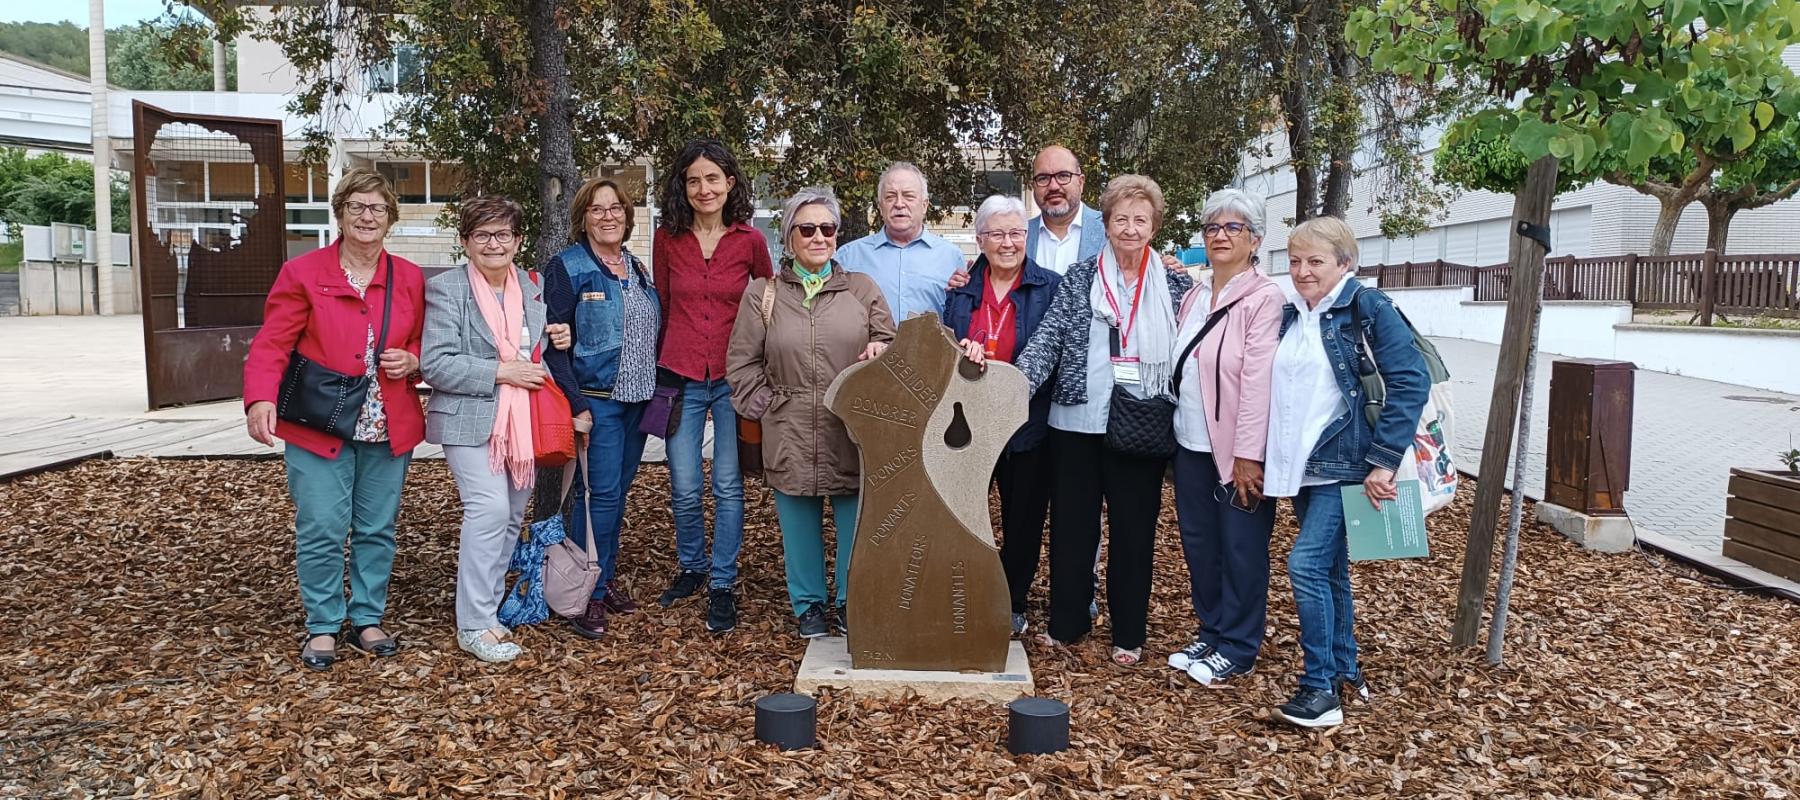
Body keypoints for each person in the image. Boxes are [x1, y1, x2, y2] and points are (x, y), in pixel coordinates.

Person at [1005, 174, 1193, 666]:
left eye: (1140, 219)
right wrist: (1014, 387)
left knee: (1134, 531)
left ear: (1153, 226)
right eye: (1120, 219)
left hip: (1142, 423)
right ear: (1105, 224)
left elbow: (1193, 351)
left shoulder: (1175, 283)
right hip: (1076, 422)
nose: (1130, 229)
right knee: (1072, 528)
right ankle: (1068, 622)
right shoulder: (1081, 276)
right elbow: (1048, 339)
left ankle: (1128, 633)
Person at [242, 167, 425, 672]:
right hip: (317, 422)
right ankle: (323, 623)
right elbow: (273, 342)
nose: (368, 216)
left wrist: (413, 359)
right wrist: (259, 398)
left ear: (390, 218)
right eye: (357, 206)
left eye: (378, 208)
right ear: (340, 213)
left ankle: (367, 617)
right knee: (322, 525)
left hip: (387, 423)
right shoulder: (303, 272)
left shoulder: (407, 276)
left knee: (376, 528)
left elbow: (425, 340)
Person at [1262, 215, 1429, 728]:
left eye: (1315, 261)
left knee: (1305, 566)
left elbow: (1411, 380)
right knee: (1330, 570)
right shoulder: (1297, 312)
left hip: (1347, 463)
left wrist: (1383, 460)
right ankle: (1343, 669)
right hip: (1307, 464)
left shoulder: (1367, 308)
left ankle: (1319, 692)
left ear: (1344, 263)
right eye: (1294, 261)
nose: (1303, 271)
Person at [727, 187, 895, 639]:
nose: (819, 236)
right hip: (790, 427)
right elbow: (741, 363)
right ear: (788, 237)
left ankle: (848, 602)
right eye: (807, 228)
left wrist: (881, 349)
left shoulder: (861, 289)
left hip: (851, 428)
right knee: (798, 527)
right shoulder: (763, 294)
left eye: (827, 228)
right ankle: (809, 606)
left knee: (854, 525)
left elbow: (892, 344)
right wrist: (766, 406)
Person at [422, 196, 562, 663]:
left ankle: (488, 611)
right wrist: (502, 371)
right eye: (481, 235)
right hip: (469, 420)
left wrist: (558, 336)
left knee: (509, 519)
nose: (493, 243)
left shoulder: (532, 288)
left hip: (522, 424)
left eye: (503, 234)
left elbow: (535, 350)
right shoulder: (447, 289)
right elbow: (435, 363)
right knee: (488, 510)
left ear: (518, 241)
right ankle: (473, 623)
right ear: (466, 242)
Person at [651, 140, 774, 633]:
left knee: (726, 485)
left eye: (713, 179)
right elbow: (659, 301)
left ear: (730, 184)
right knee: (683, 485)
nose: (704, 189)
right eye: (694, 180)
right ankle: (692, 567)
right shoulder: (667, 239)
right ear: (683, 187)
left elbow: (769, 303)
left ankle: (722, 582)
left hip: (732, 378)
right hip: (679, 375)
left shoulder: (750, 242)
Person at [1165, 189, 1285, 688]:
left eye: (1233, 228)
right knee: (1200, 542)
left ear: (1254, 239)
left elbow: (1258, 381)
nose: (1220, 235)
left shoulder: (1264, 298)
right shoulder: (1194, 295)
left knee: (1240, 546)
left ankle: (1238, 645)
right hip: (1189, 442)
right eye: (1212, 227)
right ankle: (1211, 630)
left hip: (1236, 449)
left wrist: (1247, 455)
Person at [542, 178, 662, 640]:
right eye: (597, 209)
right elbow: (555, 345)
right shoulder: (569, 267)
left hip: (637, 402)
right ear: (583, 218)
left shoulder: (636, 268)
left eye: (616, 208)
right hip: (598, 402)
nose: (608, 216)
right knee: (600, 498)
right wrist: (577, 404)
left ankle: (602, 577)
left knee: (615, 494)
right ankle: (584, 591)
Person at [941, 195, 1061, 636]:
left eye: (1015, 233)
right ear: (980, 240)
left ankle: (1011, 603)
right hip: (967, 423)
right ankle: (963, 594)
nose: (1007, 243)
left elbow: (1056, 356)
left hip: (1026, 423)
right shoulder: (959, 290)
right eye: (997, 234)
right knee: (963, 515)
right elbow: (943, 351)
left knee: (1023, 519)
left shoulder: (1051, 287)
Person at [836, 162, 966, 321]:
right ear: (880, 206)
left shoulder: (952, 257)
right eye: (890, 197)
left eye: (908, 196)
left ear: (924, 205)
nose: (899, 204)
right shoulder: (849, 256)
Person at [1026, 145, 1105, 276]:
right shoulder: (1019, 236)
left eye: (1063, 176)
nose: (1053, 186)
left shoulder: (1110, 231)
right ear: (1033, 186)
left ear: (1081, 182)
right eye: (1043, 178)